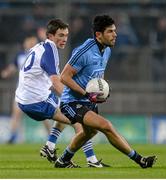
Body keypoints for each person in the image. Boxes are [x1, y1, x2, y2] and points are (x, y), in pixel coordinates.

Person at [53, 14, 157, 168]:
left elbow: (98, 76)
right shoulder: (84, 51)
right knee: (106, 126)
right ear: (98, 35)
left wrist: (102, 90)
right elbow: (64, 77)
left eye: (115, 31)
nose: (115, 34)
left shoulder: (106, 50)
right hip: (72, 102)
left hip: (88, 101)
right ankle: (140, 160)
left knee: (90, 133)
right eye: (110, 31)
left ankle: (63, 160)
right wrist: (85, 93)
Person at [15, 18, 108, 168]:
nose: (64, 39)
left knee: (65, 109)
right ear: (50, 36)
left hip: (26, 98)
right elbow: (55, 81)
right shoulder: (50, 49)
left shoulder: (40, 47)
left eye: (66, 35)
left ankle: (50, 146)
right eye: (60, 35)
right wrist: (73, 100)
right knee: (79, 121)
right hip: (36, 100)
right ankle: (92, 160)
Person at [1, 35, 50, 143]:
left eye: (33, 42)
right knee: (16, 113)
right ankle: (12, 136)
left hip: (37, 91)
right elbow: (12, 68)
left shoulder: (40, 55)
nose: (31, 44)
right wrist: (5, 73)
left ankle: (50, 137)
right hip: (22, 91)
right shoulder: (20, 56)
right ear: (25, 43)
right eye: (29, 42)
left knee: (44, 114)